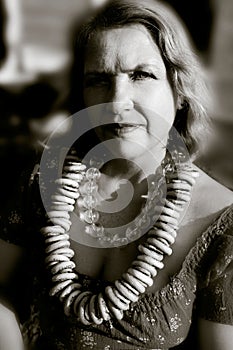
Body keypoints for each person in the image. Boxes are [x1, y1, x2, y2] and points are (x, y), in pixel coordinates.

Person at [0, 0, 233, 349]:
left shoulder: (222, 222)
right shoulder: (44, 182)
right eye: (98, 80)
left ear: (179, 90)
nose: (117, 100)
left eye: (141, 75)